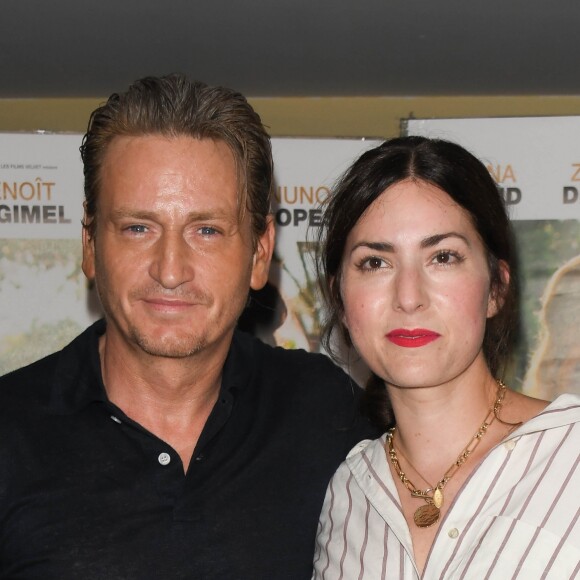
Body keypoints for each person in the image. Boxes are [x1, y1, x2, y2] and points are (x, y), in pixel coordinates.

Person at [0, 74, 377, 579]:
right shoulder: (9, 431)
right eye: (138, 227)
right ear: (90, 246)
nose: (171, 269)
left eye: (206, 230)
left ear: (259, 252)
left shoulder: (331, 415)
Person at [313, 136, 580, 579]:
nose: (409, 297)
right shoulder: (346, 492)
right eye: (375, 263)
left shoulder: (570, 452)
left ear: (496, 287)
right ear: (339, 298)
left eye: (443, 257)